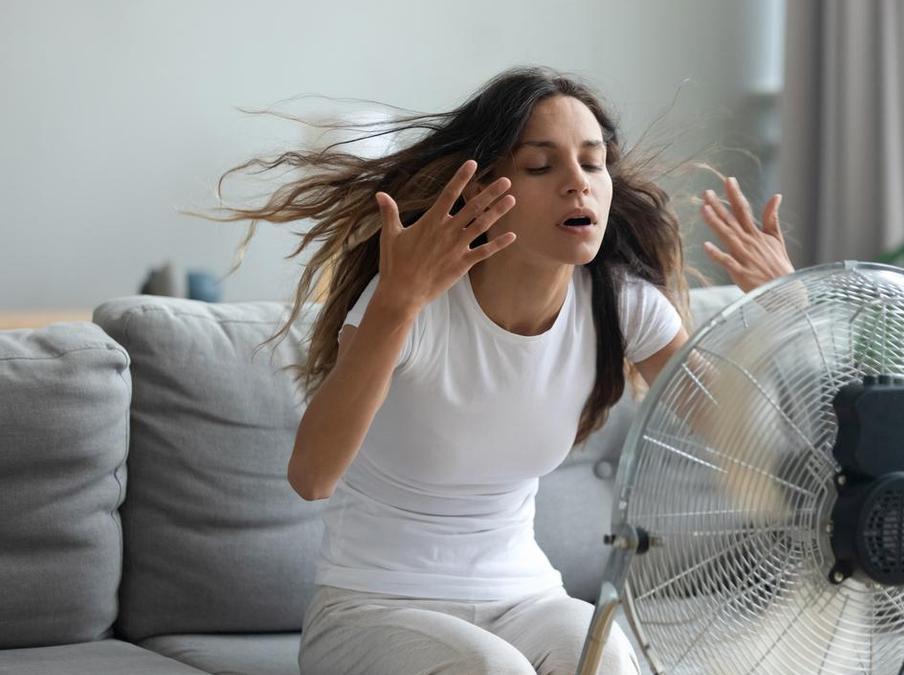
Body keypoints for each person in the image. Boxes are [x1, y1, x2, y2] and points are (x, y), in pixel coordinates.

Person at [215, 66, 794, 675]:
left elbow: (751, 448)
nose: (577, 184)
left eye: (592, 163)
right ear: (484, 190)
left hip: (525, 598)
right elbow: (312, 476)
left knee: (609, 663)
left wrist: (784, 315)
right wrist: (396, 304)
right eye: (542, 167)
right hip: (374, 608)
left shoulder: (620, 304)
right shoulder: (413, 300)